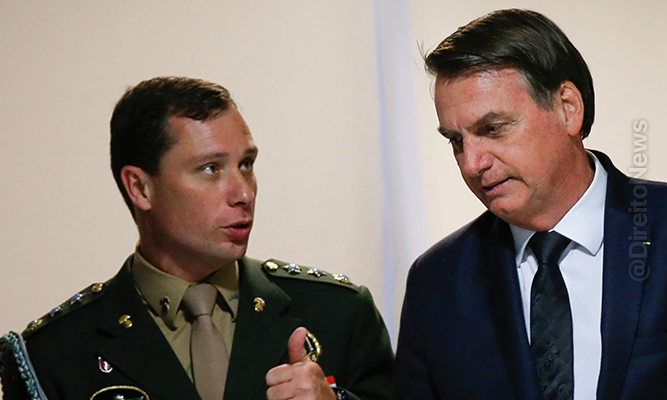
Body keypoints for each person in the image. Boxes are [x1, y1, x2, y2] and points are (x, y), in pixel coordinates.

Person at [0, 77, 394, 400]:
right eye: (210, 169)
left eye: (246, 164)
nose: (244, 193)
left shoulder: (337, 313)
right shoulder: (54, 354)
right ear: (140, 188)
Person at [395, 8, 667, 400]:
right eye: (456, 141)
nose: (472, 163)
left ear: (567, 108)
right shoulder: (437, 281)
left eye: (493, 129)